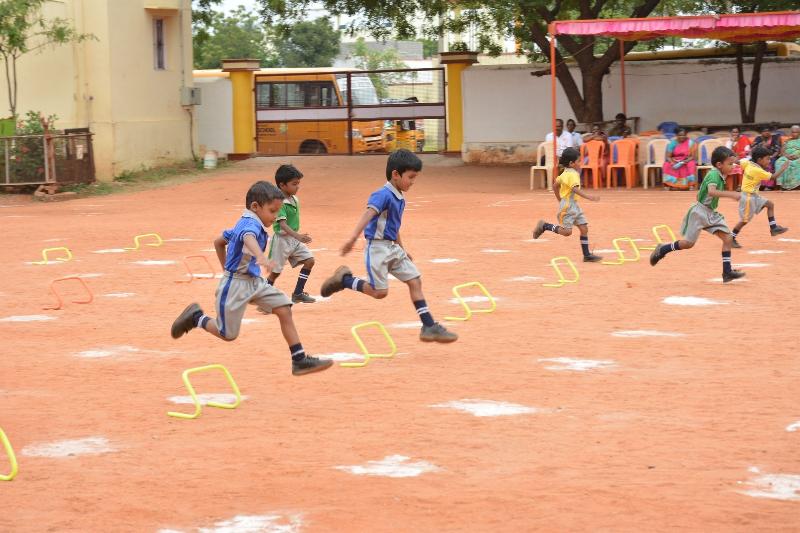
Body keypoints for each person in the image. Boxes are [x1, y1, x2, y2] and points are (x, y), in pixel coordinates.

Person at [170, 181, 332, 376]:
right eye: (272, 211)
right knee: (228, 334)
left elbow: (219, 242)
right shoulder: (250, 225)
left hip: (253, 282)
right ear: (255, 206)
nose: (275, 216)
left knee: (284, 308)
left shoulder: (245, 222)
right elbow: (249, 237)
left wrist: (226, 269)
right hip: (236, 285)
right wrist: (260, 257)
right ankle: (196, 318)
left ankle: (299, 360)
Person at [319, 149, 458, 343]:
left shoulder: (399, 197)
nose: (413, 182)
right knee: (380, 293)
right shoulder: (382, 194)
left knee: (415, 280)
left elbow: (394, 227)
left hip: (393, 248)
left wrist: (403, 249)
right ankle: (345, 280)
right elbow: (368, 214)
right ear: (395, 174)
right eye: (411, 177)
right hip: (377, 249)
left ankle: (428, 326)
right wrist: (352, 238)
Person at [649, 146, 745, 283]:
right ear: (719, 164)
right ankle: (663, 249)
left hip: (710, 212)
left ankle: (727, 272)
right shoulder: (713, 174)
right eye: (730, 164)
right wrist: (732, 194)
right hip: (699, 213)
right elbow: (711, 192)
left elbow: (705, 192)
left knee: (728, 238)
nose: (732, 166)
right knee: (688, 244)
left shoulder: (720, 173)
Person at [532, 147, 603, 262]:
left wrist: (560, 200)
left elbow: (555, 186)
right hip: (568, 206)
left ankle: (586, 255)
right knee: (567, 232)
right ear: (571, 163)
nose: (580, 163)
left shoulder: (565, 173)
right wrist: (589, 197)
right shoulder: (572, 175)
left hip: (572, 205)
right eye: (578, 161)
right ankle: (545, 226)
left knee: (584, 228)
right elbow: (575, 189)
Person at [267, 164, 316, 303]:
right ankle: (263, 298)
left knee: (309, 261)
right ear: (282, 185)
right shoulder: (279, 202)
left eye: (298, 183)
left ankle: (298, 293)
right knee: (275, 273)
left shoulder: (294, 199)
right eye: (294, 184)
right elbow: (282, 224)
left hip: (293, 239)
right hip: (281, 241)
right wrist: (298, 236)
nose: (297, 187)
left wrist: (296, 236)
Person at [730, 145, 790, 247]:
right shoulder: (758, 171)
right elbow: (773, 177)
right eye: (767, 159)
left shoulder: (748, 163)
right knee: (744, 220)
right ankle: (731, 238)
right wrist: (783, 168)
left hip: (753, 195)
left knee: (770, 204)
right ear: (759, 160)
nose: (769, 161)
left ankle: (773, 228)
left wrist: (731, 157)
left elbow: (738, 162)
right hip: (748, 198)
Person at [775, 125, 800, 191]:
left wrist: (797, 156)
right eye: (793, 132)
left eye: (796, 132)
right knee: (779, 162)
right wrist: (787, 156)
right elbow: (782, 152)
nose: (794, 134)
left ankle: (796, 185)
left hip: (798, 157)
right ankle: (781, 185)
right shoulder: (787, 141)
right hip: (787, 157)